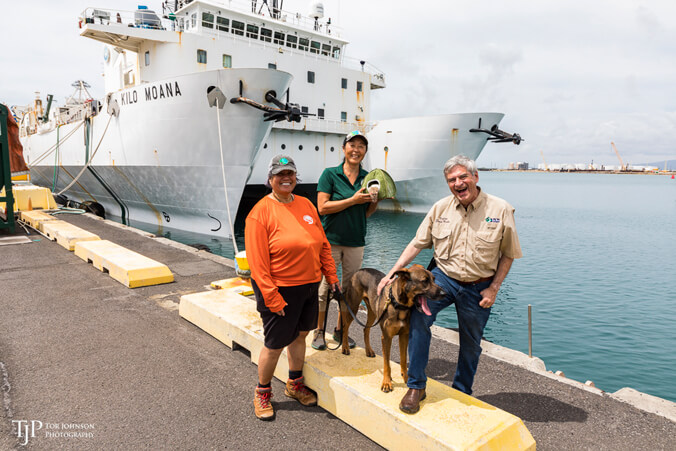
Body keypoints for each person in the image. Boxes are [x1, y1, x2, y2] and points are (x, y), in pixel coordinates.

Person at [377, 154, 522, 414]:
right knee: (419, 321)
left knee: (471, 341)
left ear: (475, 177)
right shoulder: (440, 208)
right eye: (451, 179)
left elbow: (509, 253)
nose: (458, 183)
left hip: (479, 284)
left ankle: (462, 390)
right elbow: (416, 243)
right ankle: (416, 386)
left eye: (463, 177)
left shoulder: (500, 210)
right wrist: (393, 272)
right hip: (443, 278)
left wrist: (494, 288)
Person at [245, 155, 340, 421]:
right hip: (280, 289)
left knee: (300, 336)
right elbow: (258, 264)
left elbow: (322, 244)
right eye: (280, 174)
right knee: (274, 344)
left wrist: (331, 276)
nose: (286, 178)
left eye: (290, 174)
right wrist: (271, 297)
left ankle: (294, 383)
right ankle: (262, 392)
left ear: (296, 177)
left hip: (309, 286)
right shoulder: (260, 213)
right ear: (270, 179)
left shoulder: (306, 204)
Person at [311, 130, 378, 350]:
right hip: (329, 241)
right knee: (323, 288)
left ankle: (341, 330)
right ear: (343, 148)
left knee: (350, 290)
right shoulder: (330, 174)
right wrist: (352, 200)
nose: (356, 150)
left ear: (365, 151)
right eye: (352, 145)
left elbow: (366, 212)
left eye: (361, 146)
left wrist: (375, 200)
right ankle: (319, 331)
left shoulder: (368, 178)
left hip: (356, 242)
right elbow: (322, 208)